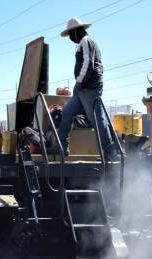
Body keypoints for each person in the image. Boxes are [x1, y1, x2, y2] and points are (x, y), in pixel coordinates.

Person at [57, 17, 115, 159]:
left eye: (70, 34)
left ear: (76, 31)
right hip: (83, 89)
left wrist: (79, 82)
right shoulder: (84, 43)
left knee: (97, 120)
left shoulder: (85, 41)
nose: (70, 37)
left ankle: (110, 151)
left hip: (89, 88)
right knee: (67, 112)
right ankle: (62, 146)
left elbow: (88, 63)